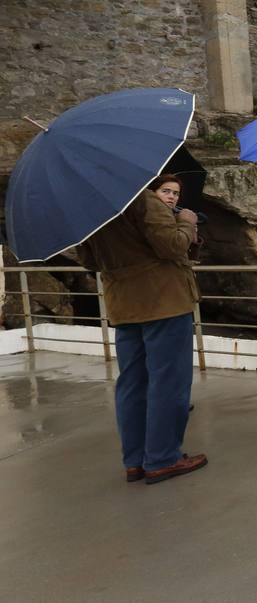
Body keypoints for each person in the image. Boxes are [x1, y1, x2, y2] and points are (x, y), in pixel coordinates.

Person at [77, 174, 207, 484]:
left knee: (132, 384)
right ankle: (163, 458)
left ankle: (135, 461)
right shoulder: (142, 199)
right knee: (168, 382)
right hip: (164, 303)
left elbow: (89, 261)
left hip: (123, 306)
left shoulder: (89, 208)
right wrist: (187, 223)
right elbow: (172, 246)